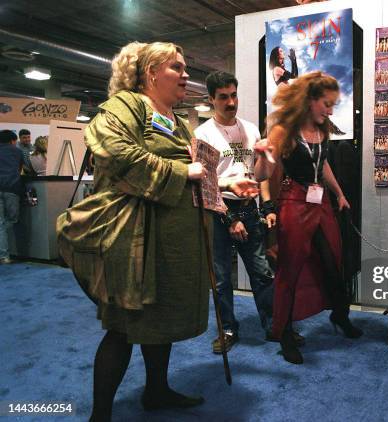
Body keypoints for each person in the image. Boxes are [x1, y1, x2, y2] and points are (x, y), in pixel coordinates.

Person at [84, 42, 257, 421]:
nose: (185, 75)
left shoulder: (177, 120)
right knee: (123, 326)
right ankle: (100, 415)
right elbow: (114, 153)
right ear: (150, 73)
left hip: (170, 243)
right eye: (176, 67)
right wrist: (184, 172)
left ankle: (156, 391)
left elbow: (196, 173)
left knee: (157, 322)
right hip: (133, 241)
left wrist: (227, 186)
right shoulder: (124, 106)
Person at [254, 71, 362, 365]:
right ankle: (285, 333)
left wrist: (339, 193)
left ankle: (340, 316)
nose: (330, 110)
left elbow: (323, 162)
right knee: (290, 270)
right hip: (293, 203)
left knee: (333, 262)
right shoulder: (283, 130)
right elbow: (261, 175)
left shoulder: (322, 127)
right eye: (326, 103)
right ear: (310, 100)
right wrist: (262, 155)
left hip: (321, 203)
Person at [195, 71, 296, 354]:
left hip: (249, 210)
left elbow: (261, 174)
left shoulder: (250, 129)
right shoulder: (202, 134)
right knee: (222, 278)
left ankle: (273, 324)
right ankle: (227, 328)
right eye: (223, 97)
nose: (230, 102)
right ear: (211, 99)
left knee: (262, 272)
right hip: (219, 212)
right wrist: (229, 219)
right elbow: (204, 183)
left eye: (233, 95)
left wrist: (266, 156)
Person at [0, 130, 23, 265]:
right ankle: (4, 255)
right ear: (12, 141)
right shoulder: (17, 151)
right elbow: (22, 168)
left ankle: (4, 256)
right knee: (13, 219)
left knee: (0, 223)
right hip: (11, 188)